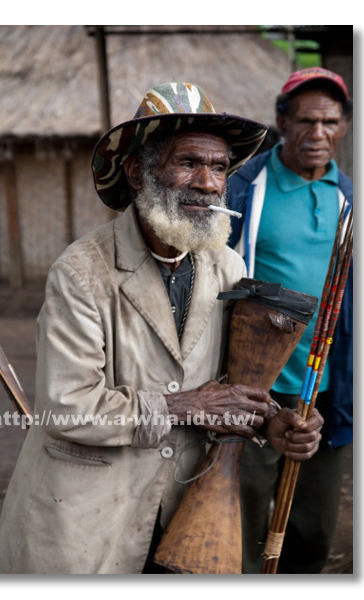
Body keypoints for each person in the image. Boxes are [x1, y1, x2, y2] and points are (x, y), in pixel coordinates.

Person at [0, 82, 323, 575]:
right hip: (85, 518)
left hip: (184, 509)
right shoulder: (82, 271)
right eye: (189, 162)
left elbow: (231, 385)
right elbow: (66, 405)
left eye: (219, 167)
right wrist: (186, 405)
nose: (208, 183)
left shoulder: (226, 266)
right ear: (138, 171)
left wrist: (271, 421)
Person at [226, 67, 353, 574]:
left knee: (313, 530)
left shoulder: (348, 196)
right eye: (304, 121)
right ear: (281, 121)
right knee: (245, 518)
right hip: (256, 386)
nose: (317, 134)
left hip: (327, 388)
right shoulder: (244, 188)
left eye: (329, 122)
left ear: (343, 125)